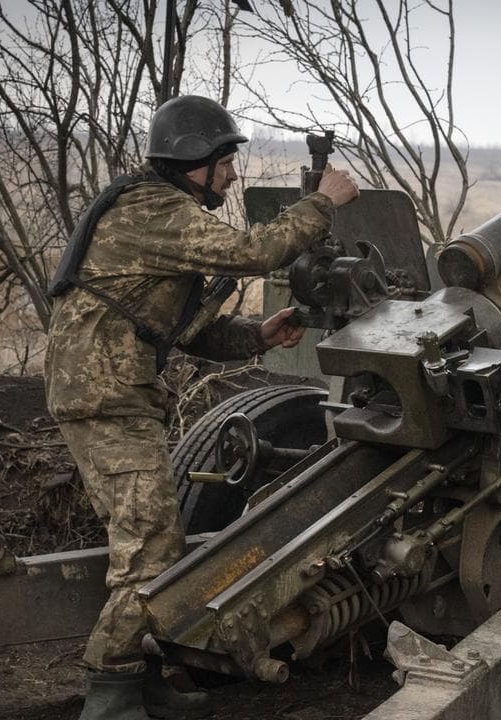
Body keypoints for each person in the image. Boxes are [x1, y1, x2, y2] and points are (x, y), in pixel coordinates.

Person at [44, 94, 359, 720]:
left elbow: (179, 332)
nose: (233, 175)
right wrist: (324, 200)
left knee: (152, 542)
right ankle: (109, 698)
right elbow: (254, 252)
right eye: (226, 162)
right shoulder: (154, 208)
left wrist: (258, 337)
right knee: (152, 550)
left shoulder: (156, 211)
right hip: (106, 395)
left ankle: (142, 682)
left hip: (114, 390)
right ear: (196, 159)